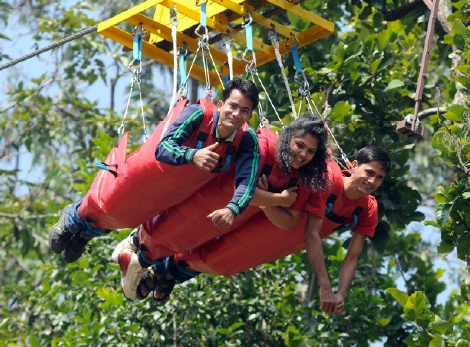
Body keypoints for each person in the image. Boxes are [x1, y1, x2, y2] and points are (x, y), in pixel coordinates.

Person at [135, 146, 391, 314]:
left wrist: (340, 294)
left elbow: (353, 255)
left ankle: (169, 275)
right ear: (354, 164)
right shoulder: (329, 180)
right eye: (369, 172)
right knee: (215, 240)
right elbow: (312, 233)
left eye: (379, 178)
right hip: (276, 220)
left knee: (223, 262)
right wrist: (325, 286)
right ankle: (156, 264)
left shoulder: (367, 207)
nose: (372, 181)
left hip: (286, 241)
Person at [117, 114, 330, 302]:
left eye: (310, 151)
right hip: (211, 204)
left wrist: (266, 201)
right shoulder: (263, 145)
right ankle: (135, 248)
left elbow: (287, 221)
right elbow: (244, 190)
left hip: (230, 220)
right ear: (288, 137)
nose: (302, 155)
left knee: (210, 255)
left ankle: (159, 271)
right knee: (174, 232)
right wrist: (279, 199)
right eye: (299, 145)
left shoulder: (305, 177)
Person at [49, 77, 261, 265]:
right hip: (151, 175)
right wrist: (192, 155)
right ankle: (71, 219)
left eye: (244, 110)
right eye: (233, 106)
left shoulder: (246, 139)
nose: (236, 114)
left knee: (129, 216)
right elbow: (163, 147)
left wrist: (234, 208)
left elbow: (247, 180)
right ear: (221, 105)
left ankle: (83, 235)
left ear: (250, 116)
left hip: (174, 192)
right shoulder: (198, 114)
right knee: (115, 200)